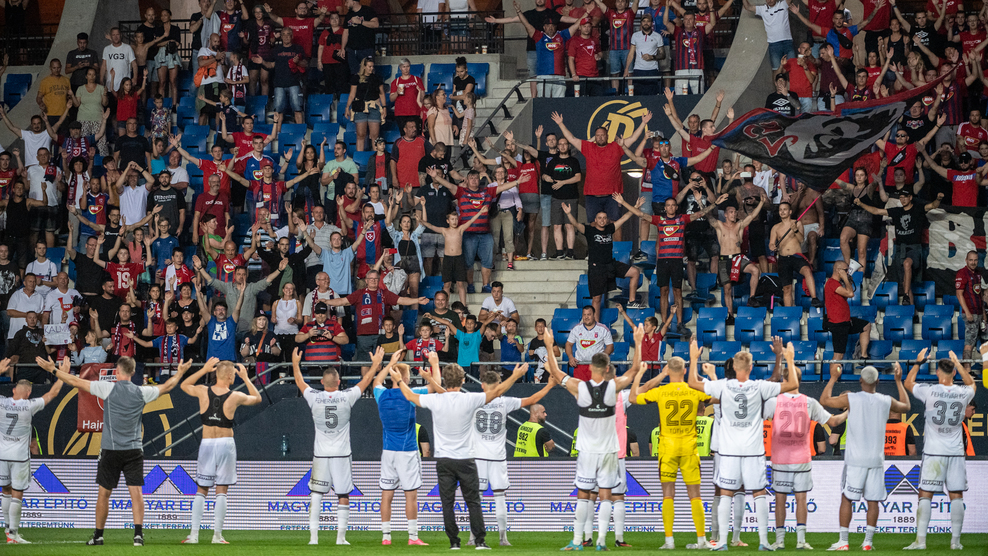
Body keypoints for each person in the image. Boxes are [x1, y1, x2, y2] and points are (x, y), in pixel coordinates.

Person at [39, 355, 190, 546]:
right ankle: (138, 536)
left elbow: (76, 381)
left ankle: (98, 536)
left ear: (117, 372)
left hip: (111, 450)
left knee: (104, 494)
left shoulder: (107, 388)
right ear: (133, 372)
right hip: (133, 450)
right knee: (136, 493)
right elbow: (168, 386)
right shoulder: (142, 392)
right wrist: (180, 372)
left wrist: (53, 370)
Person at [389, 358, 529, 550]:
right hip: (466, 459)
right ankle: (480, 541)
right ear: (463, 380)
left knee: (447, 503)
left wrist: (400, 380)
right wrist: (515, 375)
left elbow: (410, 396)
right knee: (473, 502)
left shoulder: (436, 399)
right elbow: (497, 392)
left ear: (445, 381)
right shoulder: (469, 399)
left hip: (444, 460)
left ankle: (454, 542)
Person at [687, 339, 798, 550]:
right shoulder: (759, 386)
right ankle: (764, 541)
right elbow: (791, 384)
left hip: (728, 451)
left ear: (735, 367)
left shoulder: (723, 386)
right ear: (751, 367)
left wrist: (693, 359)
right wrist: (789, 360)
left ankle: (721, 541)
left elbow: (693, 383)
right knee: (759, 493)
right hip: (753, 451)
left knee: (726, 493)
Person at [544, 330, 639, 550]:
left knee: (583, 495)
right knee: (606, 495)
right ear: (607, 369)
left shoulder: (581, 387)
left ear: (590, 368)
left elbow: (557, 373)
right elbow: (634, 370)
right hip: (609, 451)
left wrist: (549, 345)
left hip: (587, 450)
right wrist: (638, 342)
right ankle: (601, 541)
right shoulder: (614, 389)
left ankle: (578, 541)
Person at [291, 345, 377, 545]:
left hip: (321, 453)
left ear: (322, 382)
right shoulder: (347, 396)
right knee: (343, 494)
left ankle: (313, 539)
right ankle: (341, 538)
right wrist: (375, 365)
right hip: (341, 453)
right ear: (339, 382)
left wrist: (295, 363)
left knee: (316, 494)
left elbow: (299, 381)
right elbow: (365, 381)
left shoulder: (314, 396)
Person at [820, 363, 910, 551]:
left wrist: (834, 378)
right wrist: (898, 381)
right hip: (876, 460)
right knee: (873, 501)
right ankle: (868, 543)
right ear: (878, 381)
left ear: (860, 380)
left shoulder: (851, 398)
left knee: (847, 498)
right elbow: (906, 406)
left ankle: (844, 541)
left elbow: (824, 400)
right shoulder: (885, 400)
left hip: (855, 460)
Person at [762, 351, 848, 550]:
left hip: (780, 458)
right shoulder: (809, 402)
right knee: (801, 498)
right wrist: (849, 411)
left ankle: (780, 541)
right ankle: (801, 541)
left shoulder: (774, 401)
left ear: (785, 380)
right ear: (799, 380)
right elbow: (833, 421)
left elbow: (757, 419)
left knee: (780, 499)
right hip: (802, 458)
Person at [630, 345, 712, 549]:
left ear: (667, 370)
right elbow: (719, 396)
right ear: (684, 371)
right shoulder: (695, 391)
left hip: (667, 448)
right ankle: (701, 540)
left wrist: (641, 375)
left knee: (668, 494)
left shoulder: (661, 391)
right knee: (695, 495)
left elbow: (633, 397)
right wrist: (709, 374)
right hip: (689, 448)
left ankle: (669, 541)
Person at [467, 370, 556, 546]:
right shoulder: (504, 402)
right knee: (500, 496)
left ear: (482, 385)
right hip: (497, 456)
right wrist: (550, 385)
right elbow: (532, 399)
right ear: (499, 385)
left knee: (476, 498)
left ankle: (472, 537)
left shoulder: (473, 400)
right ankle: (503, 538)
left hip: (477, 456)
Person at [614, 189, 724, 330]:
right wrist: (623, 202)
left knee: (678, 291)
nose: (671, 207)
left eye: (673, 205)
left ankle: (679, 323)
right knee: (663, 291)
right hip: (663, 261)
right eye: (668, 205)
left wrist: (715, 204)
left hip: (677, 260)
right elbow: (641, 214)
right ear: (665, 208)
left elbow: (700, 213)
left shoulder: (682, 219)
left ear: (676, 207)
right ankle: (664, 323)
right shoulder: (659, 220)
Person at [179, 358, 261, 544]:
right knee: (221, 489)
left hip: (207, 443)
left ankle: (194, 535)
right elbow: (257, 398)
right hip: (225, 443)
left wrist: (203, 370)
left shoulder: (203, 391)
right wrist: (246, 378)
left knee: (202, 489)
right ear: (231, 376)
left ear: (215, 374)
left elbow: (184, 385)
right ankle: (217, 535)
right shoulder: (235, 396)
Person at [902, 350, 977, 550]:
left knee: (925, 494)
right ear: (954, 373)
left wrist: (918, 363)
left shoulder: (929, 391)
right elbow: (972, 384)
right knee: (956, 495)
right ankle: (955, 542)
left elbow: (908, 383)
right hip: (955, 452)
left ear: (937, 372)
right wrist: (958, 364)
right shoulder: (963, 392)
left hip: (934, 451)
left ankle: (921, 541)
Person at [372, 350, 444, 546]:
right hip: (408, 452)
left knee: (386, 495)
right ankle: (412, 536)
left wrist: (389, 364)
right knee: (410, 495)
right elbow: (435, 386)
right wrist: (434, 364)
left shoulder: (382, 395)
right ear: (405, 378)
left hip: (388, 452)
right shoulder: (411, 394)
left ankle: (386, 537)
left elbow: (376, 382)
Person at [549, 111, 648, 242]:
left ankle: (617, 251)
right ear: (594, 137)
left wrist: (643, 123)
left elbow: (633, 138)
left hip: (613, 195)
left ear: (607, 136)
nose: (600, 137)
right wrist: (560, 124)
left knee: (615, 223)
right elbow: (572, 139)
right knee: (593, 224)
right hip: (592, 195)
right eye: (598, 135)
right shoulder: (588, 147)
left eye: (602, 135)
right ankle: (594, 249)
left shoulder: (616, 146)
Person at [0, 360, 63, 544]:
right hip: (19, 457)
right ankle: (13, 534)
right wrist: (61, 374)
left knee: (6, 491)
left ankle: (7, 529)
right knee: (17, 493)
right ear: (29, 393)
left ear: (13, 390)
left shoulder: (2, 403)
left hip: (2, 455)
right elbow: (53, 393)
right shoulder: (29, 405)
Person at [323, 270, 429, 375]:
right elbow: (343, 301)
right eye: (371, 279)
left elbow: (400, 300)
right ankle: (366, 385)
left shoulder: (384, 293)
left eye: (375, 279)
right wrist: (327, 302)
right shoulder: (359, 293)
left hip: (381, 334)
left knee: (381, 362)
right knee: (365, 363)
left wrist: (417, 300)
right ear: (366, 280)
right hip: (363, 335)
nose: (373, 281)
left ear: (379, 280)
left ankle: (379, 383)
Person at [852, 189, 942, 304]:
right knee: (905, 282)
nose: (903, 199)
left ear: (910, 197)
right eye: (901, 197)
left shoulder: (918, 208)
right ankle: (910, 308)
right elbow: (876, 211)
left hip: (914, 248)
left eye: (905, 197)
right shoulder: (897, 211)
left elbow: (933, 205)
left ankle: (905, 296)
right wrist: (861, 204)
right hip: (900, 249)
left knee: (907, 264)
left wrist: (938, 199)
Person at [562, 197, 645, 319]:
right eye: (600, 218)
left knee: (635, 272)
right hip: (596, 268)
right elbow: (575, 224)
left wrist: (636, 207)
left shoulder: (610, 228)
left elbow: (624, 218)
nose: (602, 220)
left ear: (607, 220)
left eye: (604, 218)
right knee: (597, 298)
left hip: (610, 264)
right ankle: (595, 325)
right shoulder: (589, 230)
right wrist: (569, 214)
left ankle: (631, 301)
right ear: (595, 220)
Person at [710, 198, 765, 322]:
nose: (734, 214)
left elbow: (752, 216)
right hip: (724, 260)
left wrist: (761, 202)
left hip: (737, 257)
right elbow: (708, 217)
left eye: (735, 212)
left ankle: (752, 298)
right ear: (725, 214)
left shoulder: (739, 225)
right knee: (727, 289)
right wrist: (707, 203)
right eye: (731, 212)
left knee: (755, 270)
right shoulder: (719, 225)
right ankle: (730, 315)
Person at [769, 201, 822, 307]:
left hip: (797, 256)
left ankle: (814, 298)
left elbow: (801, 240)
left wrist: (796, 231)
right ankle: (788, 310)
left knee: (807, 270)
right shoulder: (775, 227)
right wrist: (772, 247)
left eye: (785, 209)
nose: (782, 212)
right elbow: (771, 243)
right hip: (783, 258)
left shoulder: (797, 223)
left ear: (790, 211)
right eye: (780, 210)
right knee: (787, 288)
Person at [252, 27, 307, 125]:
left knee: (297, 109)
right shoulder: (276, 50)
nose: (286, 36)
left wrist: (298, 62)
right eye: (283, 34)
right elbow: (271, 65)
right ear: (281, 37)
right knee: (278, 111)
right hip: (279, 84)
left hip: (294, 83)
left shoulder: (298, 48)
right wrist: (262, 62)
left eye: (288, 34)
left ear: (292, 36)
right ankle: (277, 133)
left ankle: (300, 131)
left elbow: (305, 64)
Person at [824, 261, 871, 361]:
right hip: (838, 324)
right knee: (838, 355)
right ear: (838, 270)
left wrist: (847, 281)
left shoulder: (838, 284)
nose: (848, 272)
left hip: (845, 321)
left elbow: (848, 292)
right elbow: (850, 294)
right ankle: (834, 371)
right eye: (846, 270)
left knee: (866, 326)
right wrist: (846, 279)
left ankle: (863, 356)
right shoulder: (832, 283)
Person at [955, 251, 985, 363]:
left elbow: (979, 294)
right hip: (970, 313)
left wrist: (984, 314)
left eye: (975, 260)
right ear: (966, 260)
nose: (973, 262)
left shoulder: (978, 274)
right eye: (971, 260)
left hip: (979, 313)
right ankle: (966, 369)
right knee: (969, 343)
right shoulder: (962, 273)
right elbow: (959, 294)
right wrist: (967, 312)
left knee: (982, 341)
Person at [623, 13, 663, 96]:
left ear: (651, 23)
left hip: (652, 70)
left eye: (648, 21)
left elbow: (663, 55)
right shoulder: (635, 36)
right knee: (638, 96)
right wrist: (626, 69)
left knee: (653, 96)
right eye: (644, 21)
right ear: (641, 23)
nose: (646, 23)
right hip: (638, 70)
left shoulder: (657, 36)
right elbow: (631, 53)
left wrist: (652, 57)